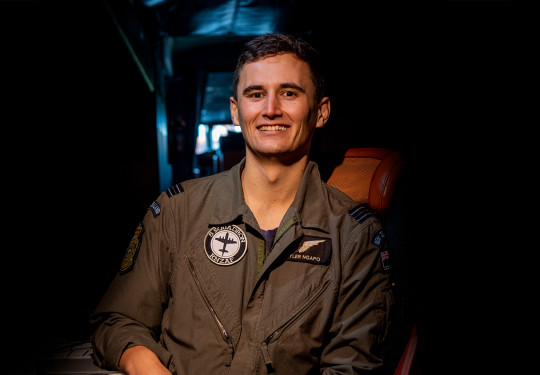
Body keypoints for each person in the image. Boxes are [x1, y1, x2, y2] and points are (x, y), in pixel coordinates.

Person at [90, 33, 394, 375]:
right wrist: (145, 364)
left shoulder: (354, 235)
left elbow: (353, 367)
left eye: (289, 93)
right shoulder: (177, 212)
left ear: (321, 112)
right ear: (236, 111)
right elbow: (117, 321)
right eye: (255, 94)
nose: (270, 109)